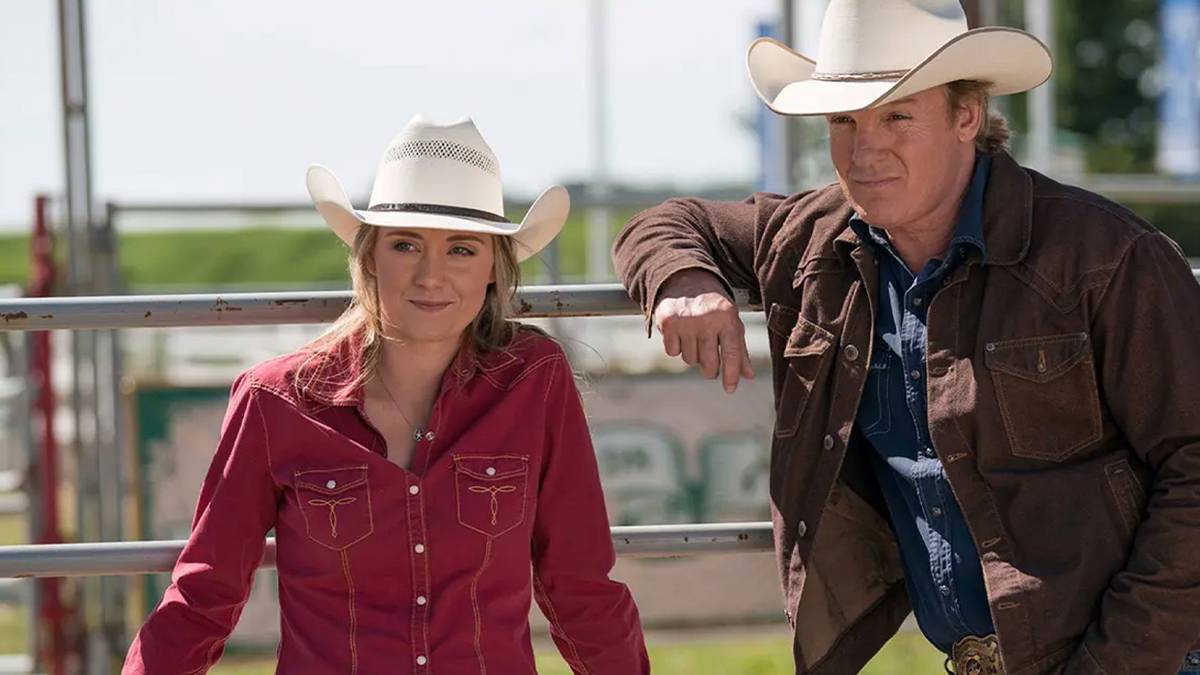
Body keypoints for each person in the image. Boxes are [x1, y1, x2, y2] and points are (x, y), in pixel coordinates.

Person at [612, 1, 1200, 673]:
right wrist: (683, 278)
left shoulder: (1104, 255)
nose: (864, 149)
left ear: (967, 116)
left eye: (897, 116)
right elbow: (660, 225)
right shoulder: (816, 239)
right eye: (843, 119)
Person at [123, 115, 650, 674]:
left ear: (494, 269)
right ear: (370, 257)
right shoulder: (275, 401)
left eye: (462, 250)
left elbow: (579, 584)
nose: (431, 276)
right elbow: (205, 593)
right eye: (405, 245)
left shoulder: (534, 380)